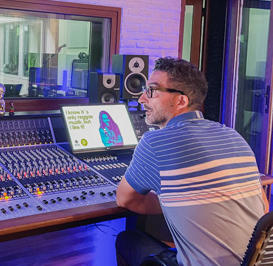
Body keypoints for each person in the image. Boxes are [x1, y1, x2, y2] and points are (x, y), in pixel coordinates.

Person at [115, 57, 268, 266]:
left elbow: (125, 199)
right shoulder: (234, 136)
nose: (142, 98)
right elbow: (263, 205)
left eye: (151, 90)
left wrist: (174, 199)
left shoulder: (155, 142)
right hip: (254, 262)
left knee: (127, 239)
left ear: (181, 101)